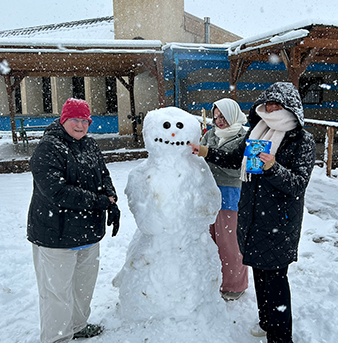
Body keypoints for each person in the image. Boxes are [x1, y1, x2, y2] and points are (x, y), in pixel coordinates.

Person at [190, 82, 316, 343]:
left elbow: (297, 184)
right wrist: (204, 151)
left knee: (276, 280)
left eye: (277, 105)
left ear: (290, 107)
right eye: (267, 104)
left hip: (280, 221)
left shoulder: (301, 140)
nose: (271, 108)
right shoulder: (258, 132)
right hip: (253, 217)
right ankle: (266, 320)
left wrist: (272, 167)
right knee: (260, 273)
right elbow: (235, 159)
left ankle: (281, 336)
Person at [27, 98, 121, 343]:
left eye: (85, 120)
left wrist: (111, 199)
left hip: (87, 233)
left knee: (83, 287)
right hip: (55, 235)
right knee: (56, 293)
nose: (80, 125)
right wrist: (99, 202)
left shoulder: (89, 145)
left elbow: (103, 173)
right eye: (75, 120)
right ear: (63, 120)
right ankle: (56, 339)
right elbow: (57, 192)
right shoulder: (48, 148)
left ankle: (78, 326)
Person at [200, 98, 248, 301]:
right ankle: (214, 280)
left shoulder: (245, 136)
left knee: (230, 245)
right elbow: (197, 160)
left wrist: (210, 158)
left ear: (233, 114)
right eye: (216, 116)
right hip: (208, 195)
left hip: (231, 196)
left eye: (223, 116)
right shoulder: (210, 134)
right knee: (210, 242)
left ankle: (234, 286)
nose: (219, 120)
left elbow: (237, 166)